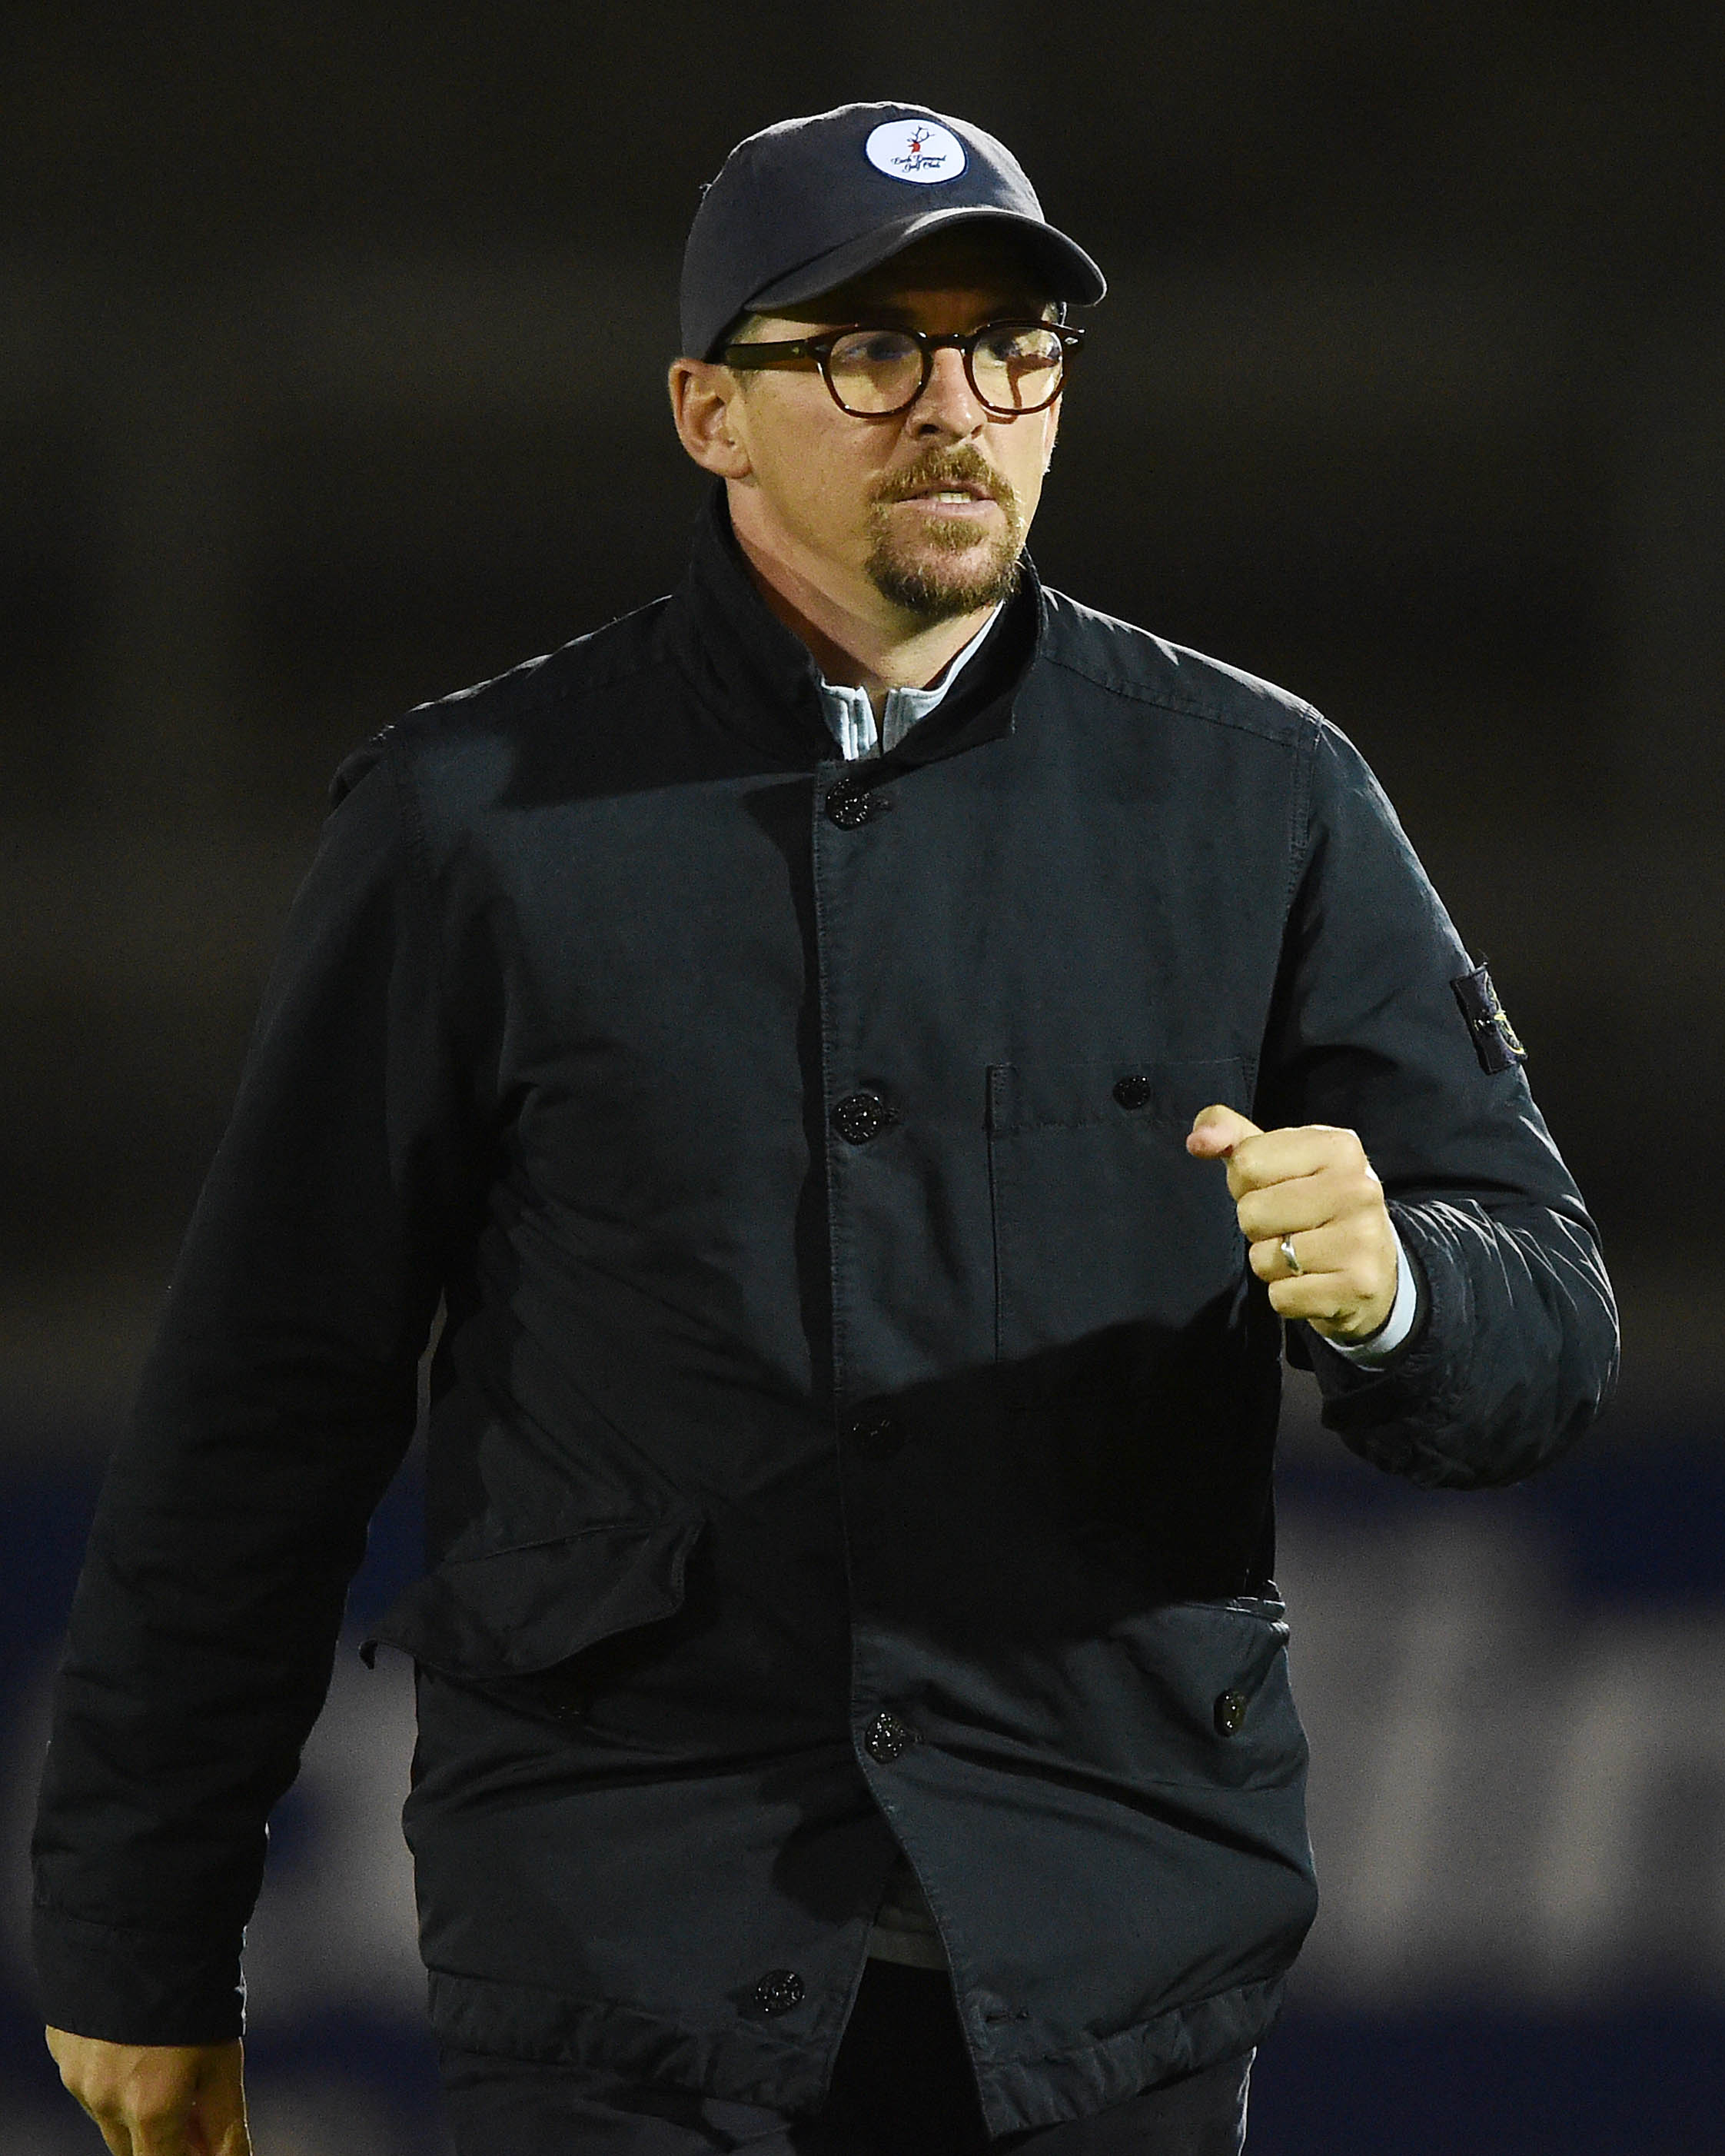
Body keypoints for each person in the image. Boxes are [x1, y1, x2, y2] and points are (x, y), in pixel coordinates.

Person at [35, 102, 1617, 2156]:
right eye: (870, 350)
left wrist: (1405, 1283)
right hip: (625, 1957)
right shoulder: (470, 817)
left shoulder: (1257, 796)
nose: (955, 405)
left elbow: (1544, 1324)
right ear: (709, 410)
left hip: (1100, 1947)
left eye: (1009, 348)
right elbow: (268, 1392)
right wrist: (137, 1932)